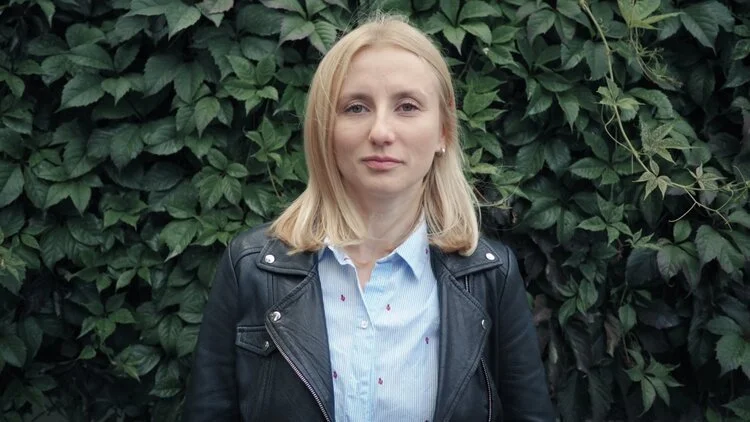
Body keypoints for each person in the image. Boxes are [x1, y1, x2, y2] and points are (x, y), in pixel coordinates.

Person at [183, 13, 555, 422]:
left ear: (444, 130)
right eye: (356, 107)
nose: (380, 132)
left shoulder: (490, 277)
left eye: (407, 106)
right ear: (326, 129)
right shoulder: (251, 268)